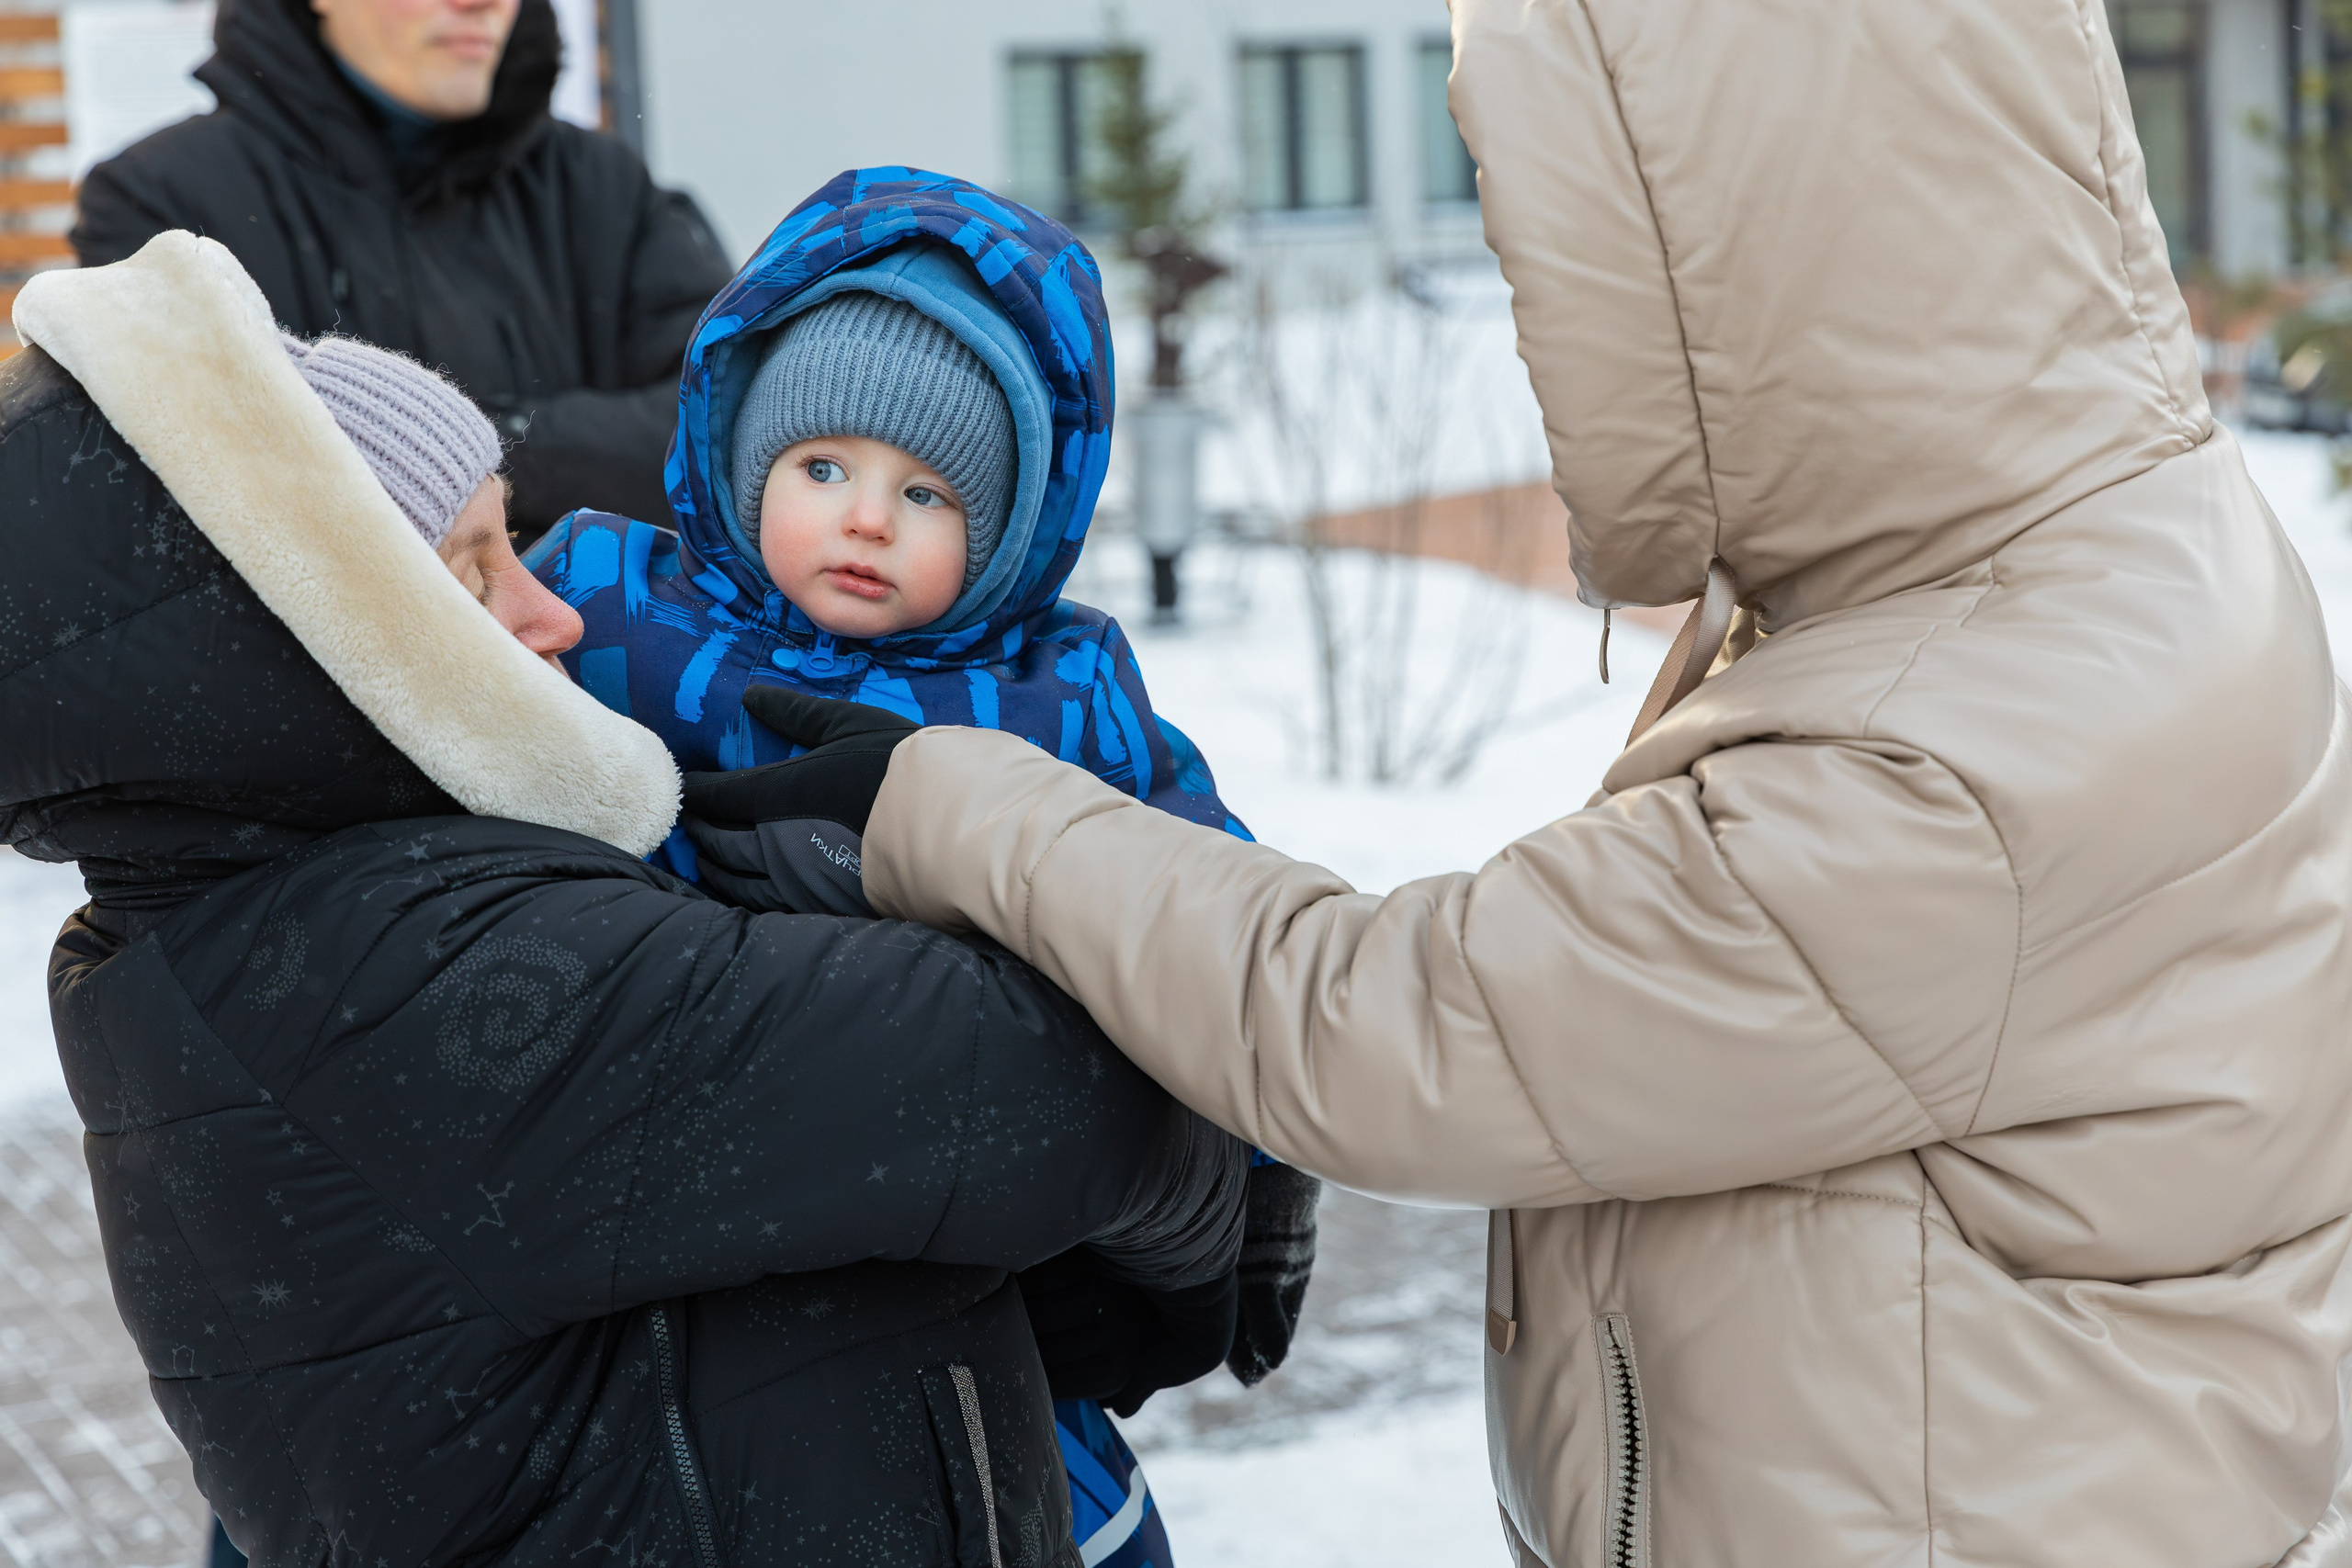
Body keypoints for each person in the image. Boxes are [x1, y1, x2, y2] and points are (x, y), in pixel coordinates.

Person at [673, 2, 2352, 1563]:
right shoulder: (2092, 544)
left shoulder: (1975, 746)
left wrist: (947, 805)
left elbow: (1407, 1024)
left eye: (1550, 262)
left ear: (1739, 263)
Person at [2, 230, 1246, 1568]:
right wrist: (1219, 1189)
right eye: (479, 564)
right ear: (320, 638)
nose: (558, 617)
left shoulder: (252, 894)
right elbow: (1057, 1091)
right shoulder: (406, 967)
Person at [528, 168, 1319, 1568]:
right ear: (742, 456)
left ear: (1013, 528)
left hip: (978, 1241)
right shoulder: (609, 603)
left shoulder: (1064, 692)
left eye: (929, 489)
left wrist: (1259, 1172)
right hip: (688, 1183)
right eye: (821, 467)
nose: (866, 518)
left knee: (1038, 1492)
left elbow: (1210, 902)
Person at [70, 0, 733, 539]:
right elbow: (210, 483)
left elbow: (726, 420)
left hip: (585, 673)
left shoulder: (599, 183)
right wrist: (544, 459)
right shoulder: (160, 203)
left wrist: (473, 449)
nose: (483, 5)